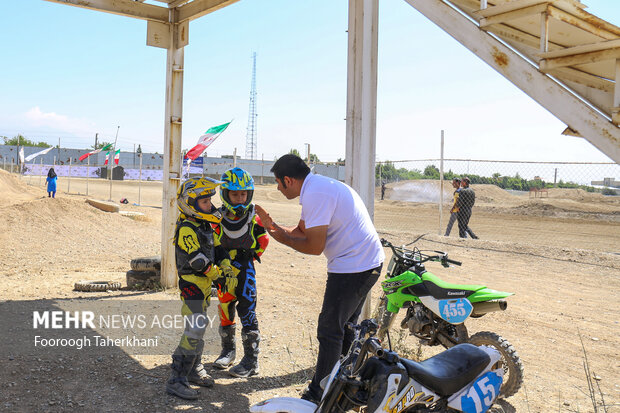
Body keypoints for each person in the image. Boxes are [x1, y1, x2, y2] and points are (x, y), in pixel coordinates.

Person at [254, 154, 384, 404]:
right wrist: (273, 226)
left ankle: (319, 395)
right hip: (363, 262)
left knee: (329, 329)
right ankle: (341, 389)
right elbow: (302, 231)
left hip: (355, 266)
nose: (278, 189)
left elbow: (313, 246)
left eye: (279, 184)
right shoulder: (317, 187)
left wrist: (278, 236)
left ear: (289, 180)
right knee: (344, 328)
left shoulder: (316, 194)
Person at [166, 177, 238, 400]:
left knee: (200, 325)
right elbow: (198, 260)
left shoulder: (205, 224)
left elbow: (219, 249)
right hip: (192, 284)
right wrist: (218, 275)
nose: (210, 205)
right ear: (191, 203)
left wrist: (226, 265)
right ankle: (176, 379)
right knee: (195, 328)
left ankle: (195, 368)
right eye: (205, 202)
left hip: (204, 286)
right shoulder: (187, 228)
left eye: (209, 201)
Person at [213, 167, 269, 378]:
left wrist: (253, 254)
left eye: (243, 194)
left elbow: (263, 239)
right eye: (235, 194)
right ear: (226, 194)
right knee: (225, 305)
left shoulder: (254, 216)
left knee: (247, 308)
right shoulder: (216, 217)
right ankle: (228, 350)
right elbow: (211, 240)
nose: (239, 199)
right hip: (223, 269)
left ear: (250, 193)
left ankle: (251, 360)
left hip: (245, 268)